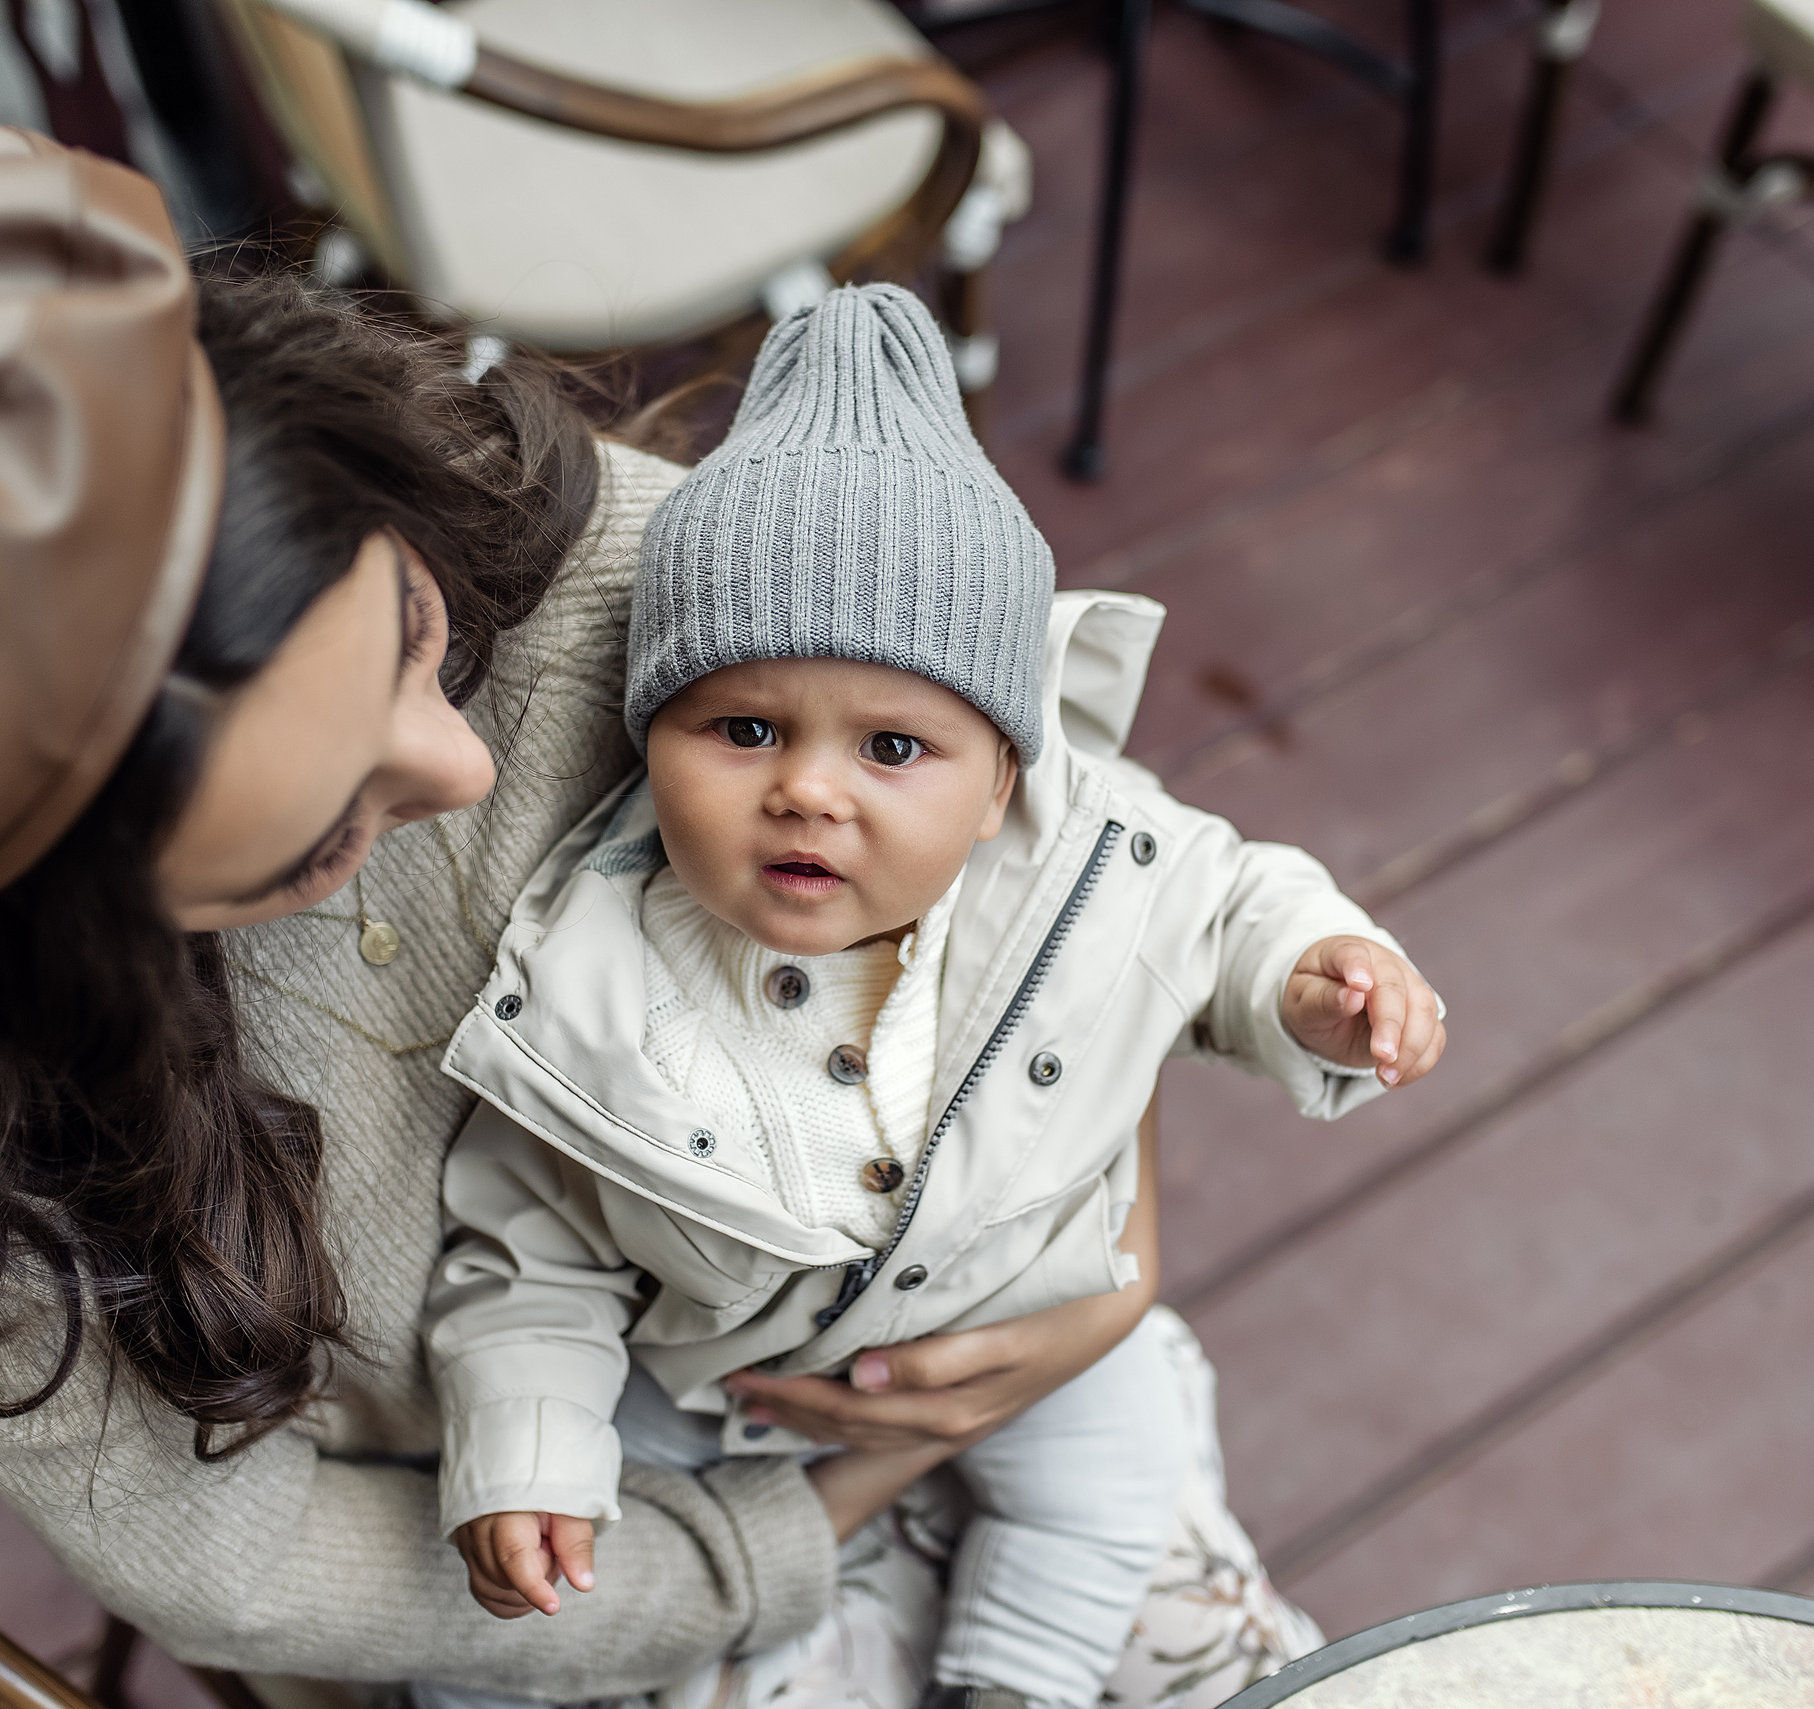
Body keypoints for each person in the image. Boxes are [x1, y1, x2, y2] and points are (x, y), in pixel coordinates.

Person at [0, 132, 1323, 1707]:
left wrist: (1120, 1231)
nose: (454, 766)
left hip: (959, 1321)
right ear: (74, 951)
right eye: (314, 834)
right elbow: (230, 1562)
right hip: (530, 1571)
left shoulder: (604, 564)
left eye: (413, 638)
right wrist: (760, 1550)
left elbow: (1049, 836)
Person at [423, 286, 1447, 1709]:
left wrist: (1317, 980)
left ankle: (1016, 1680)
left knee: (1117, 1455)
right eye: (742, 726)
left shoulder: (1094, 858)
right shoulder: (593, 983)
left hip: (1029, 1299)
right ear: (648, 736)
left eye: (893, 744)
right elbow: (528, 1248)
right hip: (724, 1382)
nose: (807, 787)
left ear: (999, 789)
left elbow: (1231, 905)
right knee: (516, 1648)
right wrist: (527, 1449)